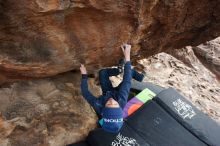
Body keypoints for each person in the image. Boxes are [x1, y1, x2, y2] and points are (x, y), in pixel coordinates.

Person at [80, 44, 144, 133]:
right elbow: (126, 81)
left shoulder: (98, 104)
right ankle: (137, 75)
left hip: (107, 93)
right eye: (115, 105)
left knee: (103, 73)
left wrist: (84, 76)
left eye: (109, 105)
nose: (112, 101)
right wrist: (127, 58)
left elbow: (85, 93)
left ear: (103, 109)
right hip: (118, 94)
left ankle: (119, 70)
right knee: (128, 75)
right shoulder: (122, 100)